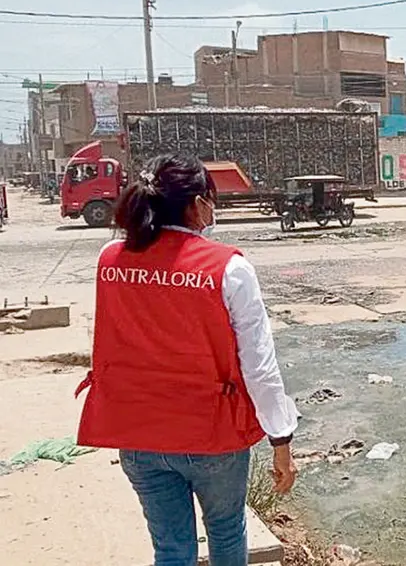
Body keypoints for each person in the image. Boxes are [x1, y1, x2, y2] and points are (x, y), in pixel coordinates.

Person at [76, 153, 299, 566]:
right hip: (211, 436)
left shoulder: (109, 260)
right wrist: (281, 439)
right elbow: (259, 365)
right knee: (227, 531)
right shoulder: (229, 268)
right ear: (198, 204)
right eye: (212, 200)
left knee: (171, 548)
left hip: (137, 432)